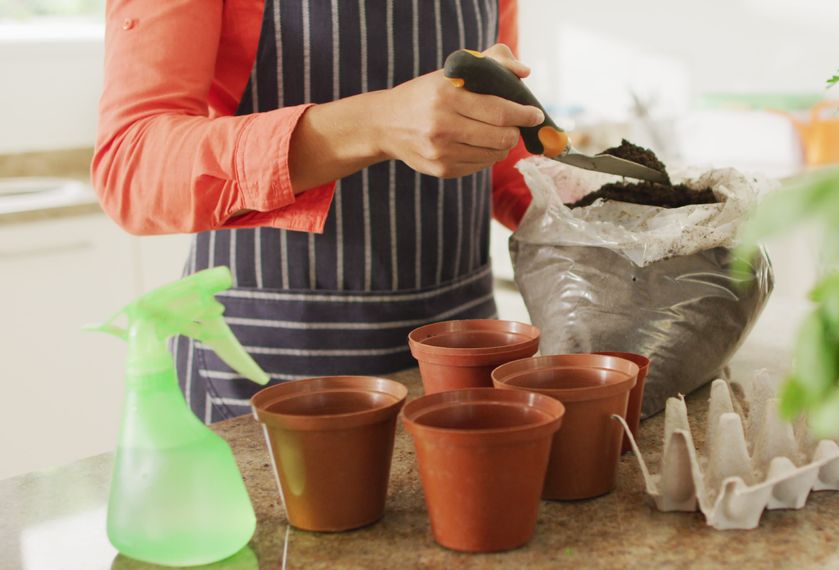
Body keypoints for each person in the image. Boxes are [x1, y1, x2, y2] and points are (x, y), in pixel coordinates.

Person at [92, 0, 541, 422]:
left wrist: (590, 216)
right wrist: (374, 123)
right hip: (267, 361)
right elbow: (131, 165)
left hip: (465, 355)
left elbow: (498, 147)